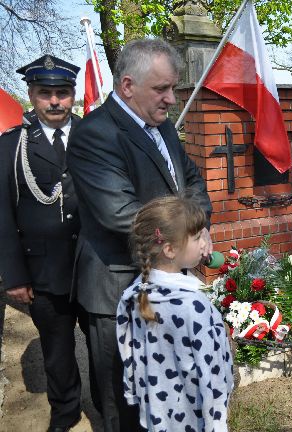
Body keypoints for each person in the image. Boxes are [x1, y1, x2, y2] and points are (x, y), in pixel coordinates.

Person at [67, 38, 213, 431]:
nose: (171, 99)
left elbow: (192, 180)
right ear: (128, 86)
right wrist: (190, 239)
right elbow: (122, 215)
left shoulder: (161, 127)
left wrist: (199, 228)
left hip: (162, 279)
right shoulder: (95, 134)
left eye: (174, 88)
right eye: (162, 89)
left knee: (162, 390)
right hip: (116, 288)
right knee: (123, 403)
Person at [0, 55, 85, 432]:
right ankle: (65, 414)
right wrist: (14, 276)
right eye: (45, 93)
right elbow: (2, 216)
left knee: (106, 351)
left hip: (94, 267)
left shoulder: (95, 136)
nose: (55, 101)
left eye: (62, 93)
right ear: (31, 95)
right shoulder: (10, 147)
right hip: (43, 270)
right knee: (57, 351)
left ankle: (112, 412)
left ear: (73, 95)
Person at [117, 196, 233, 432]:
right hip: (194, 418)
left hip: (154, 414)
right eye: (197, 236)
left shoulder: (134, 294)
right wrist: (217, 424)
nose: (205, 243)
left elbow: (127, 351)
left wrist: (132, 393)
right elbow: (212, 374)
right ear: (169, 249)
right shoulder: (195, 307)